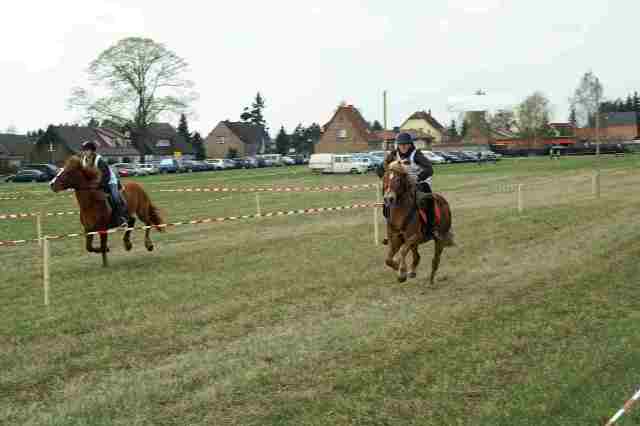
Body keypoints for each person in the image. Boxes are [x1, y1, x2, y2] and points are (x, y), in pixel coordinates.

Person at [376, 132, 436, 243]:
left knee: (428, 200)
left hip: (420, 182)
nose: (403, 147)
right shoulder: (393, 155)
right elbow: (379, 169)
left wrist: (417, 178)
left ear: (410, 144)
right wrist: (386, 179)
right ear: (397, 145)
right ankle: (391, 232)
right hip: (402, 184)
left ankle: (431, 229)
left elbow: (429, 170)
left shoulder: (416, 155)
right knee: (387, 203)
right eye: (401, 144)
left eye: (406, 144)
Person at [80, 140, 129, 226]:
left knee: (115, 197)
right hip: (96, 183)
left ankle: (121, 218)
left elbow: (106, 175)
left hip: (110, 181)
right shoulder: (84, 161)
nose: (84, 152)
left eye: (86, 150)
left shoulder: (99, 160)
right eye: (83, 150)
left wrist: (99, 185)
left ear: (92, 151)